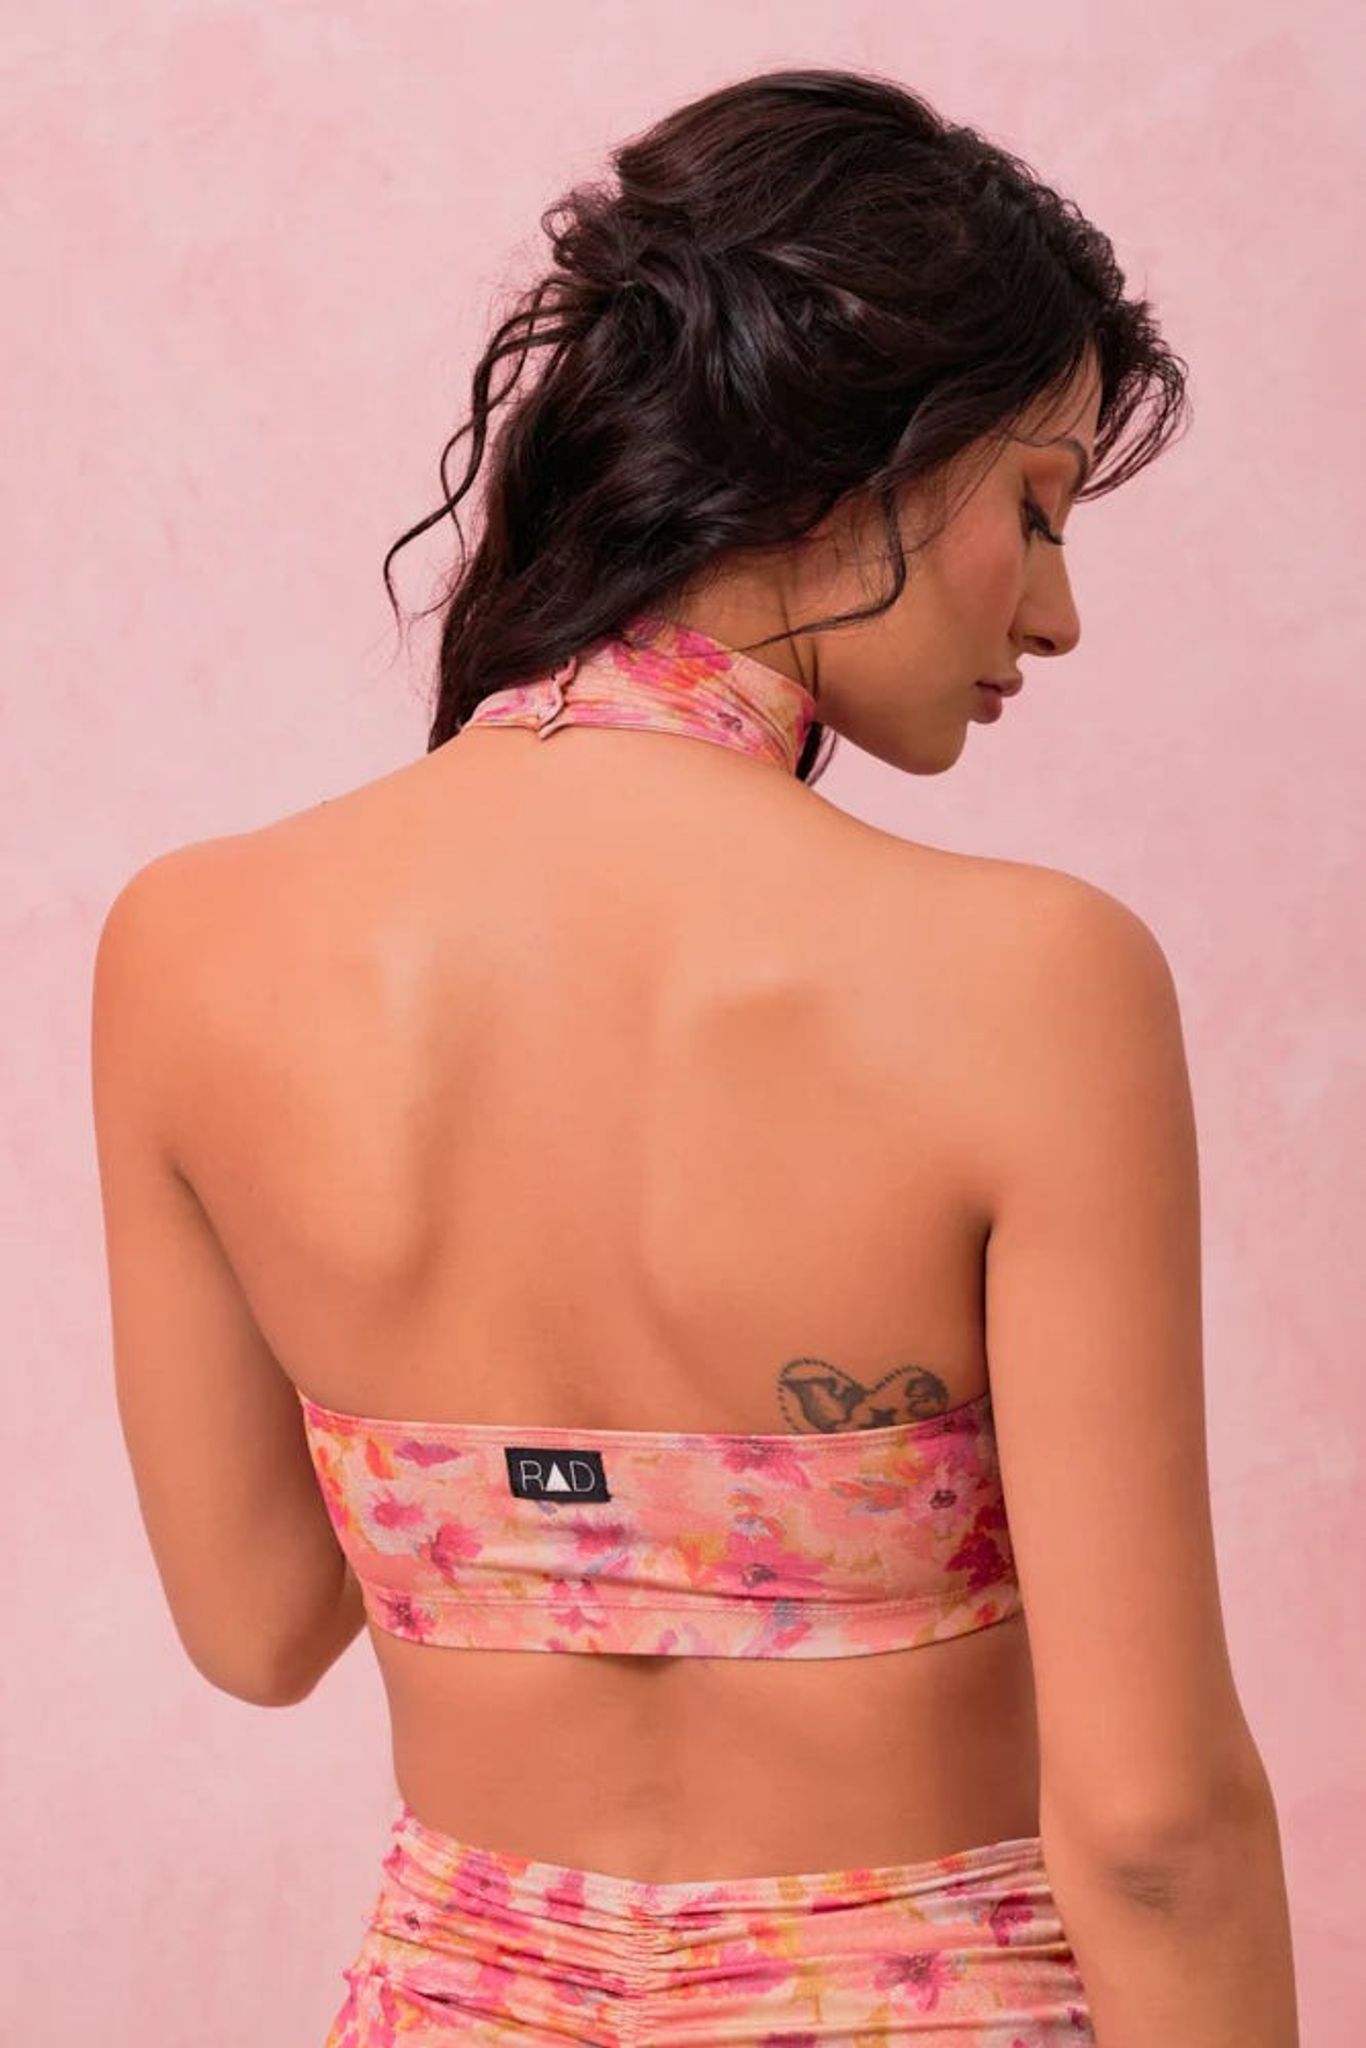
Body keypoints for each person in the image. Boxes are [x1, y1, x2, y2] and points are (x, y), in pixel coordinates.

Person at [91, 65, 1299, 2046]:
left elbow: (256, 1623)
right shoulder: (1028, 984)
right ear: (856, 459)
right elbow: (1154, 1828)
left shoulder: (187, 945)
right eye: (1033, 506)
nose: (1056, 612)